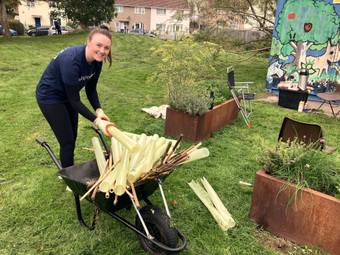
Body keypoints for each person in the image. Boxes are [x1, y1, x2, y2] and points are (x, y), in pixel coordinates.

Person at [36, 26, 115, 169]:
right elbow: (75, 101)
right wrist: (97, 121)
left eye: (106, 48)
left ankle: (68, 170)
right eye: (98, 45)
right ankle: (69, 177)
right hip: (50, 97)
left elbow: (91, 90)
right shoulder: (71, 60)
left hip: (67, 95)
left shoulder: (97, 62)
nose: (102, 51)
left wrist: (99, 111)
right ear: (88, 42)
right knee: (67, 142)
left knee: (72, 137)